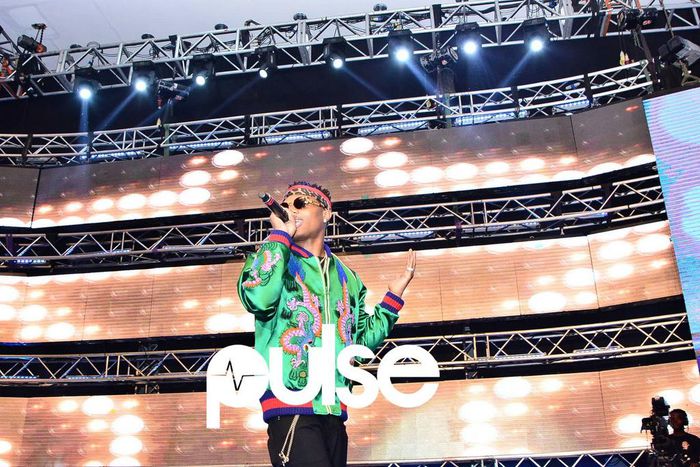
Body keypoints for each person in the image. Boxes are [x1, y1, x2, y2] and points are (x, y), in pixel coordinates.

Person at [237, 181, 417, 467]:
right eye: (286, 205)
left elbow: (359, 346)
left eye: (300, 204)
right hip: (290, 404)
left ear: (326, 213)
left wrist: (392, 299)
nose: (291, 210)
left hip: (334, 409)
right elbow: (258, 299)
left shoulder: (349, 278)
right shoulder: (271, 258)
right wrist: (279, 237)